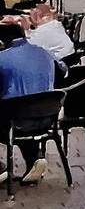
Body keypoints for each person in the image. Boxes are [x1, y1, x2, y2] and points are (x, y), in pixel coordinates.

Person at [0, 22, 65, 186]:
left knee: (14, 111)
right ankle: (36, 158)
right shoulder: (45, 52)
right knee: (26, 107)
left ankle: (0, 170)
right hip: (48, 117)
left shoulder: (2, 59)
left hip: (15, 123)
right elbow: (64, 71)